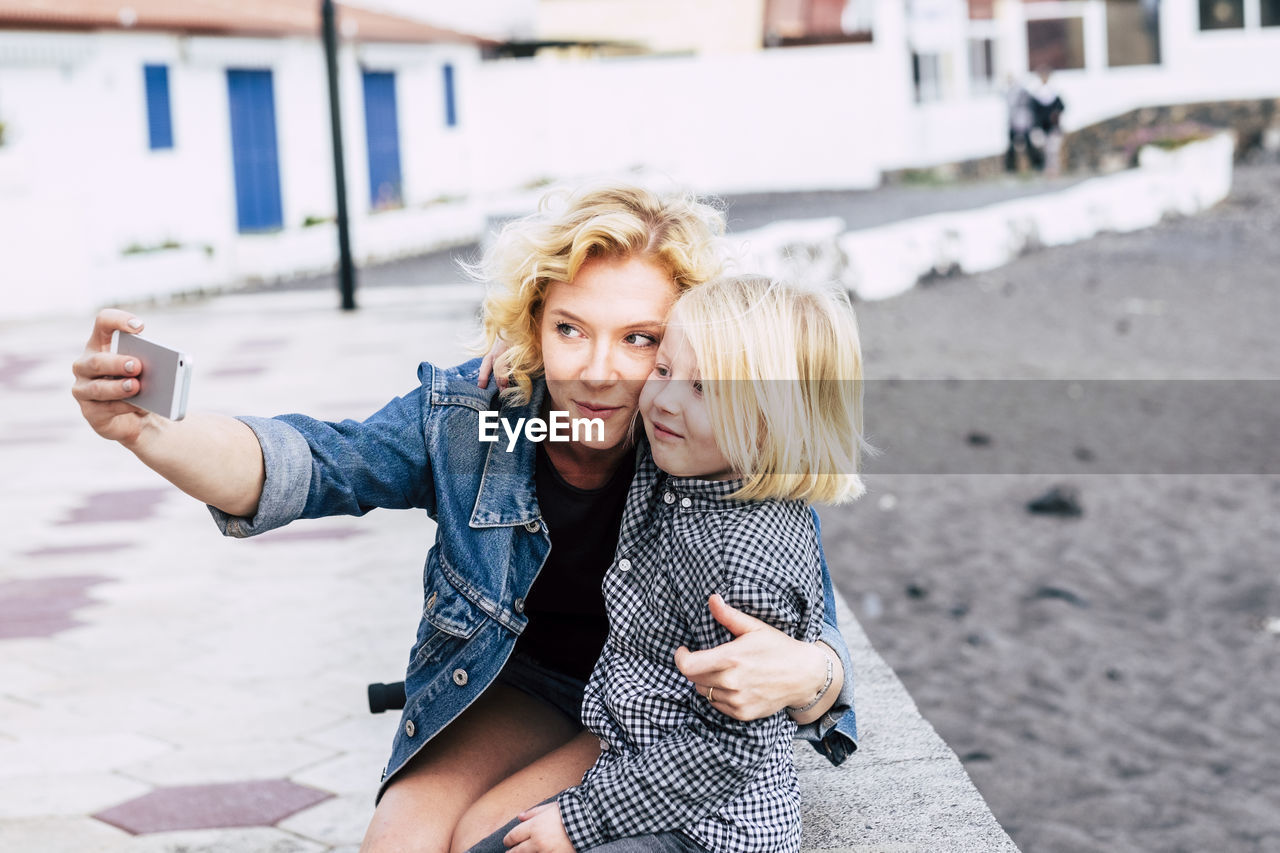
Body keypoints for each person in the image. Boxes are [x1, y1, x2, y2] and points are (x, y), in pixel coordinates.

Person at [70, 183, 858, 853]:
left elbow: (805, 629)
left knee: (492, 835)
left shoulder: (714, 441)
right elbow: (315, 463)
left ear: (692, 342)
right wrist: (155, 431)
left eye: (642, 339)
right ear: (533, 321)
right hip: (515, 683)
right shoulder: (483, 417)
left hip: (641, 706)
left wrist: (812, 673)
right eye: (569, 329)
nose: (597, 371)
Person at [466, 275, 869, 853]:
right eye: (663, 369)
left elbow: (727, 750)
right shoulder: (686, 460)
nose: (664, 399)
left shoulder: (743, 561)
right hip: (639, 775)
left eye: (704, 387)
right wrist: (535, 366)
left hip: (703, 828)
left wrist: (581, 820)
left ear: (773, 420)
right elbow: (575, 424)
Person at [1028, 67, 1066, 177]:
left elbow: (1061, 107)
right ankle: (1045, 169)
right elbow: (1033, 111)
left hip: (1053, 126)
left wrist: (1055, 115)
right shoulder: (1037, 94)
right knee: (1044, 150)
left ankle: (1054, 170)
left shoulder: (1054, 92)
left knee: (1053, 150)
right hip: (1041, 126)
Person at [1004, 74, 1034, 174]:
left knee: (1028, 145)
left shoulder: (1022, 93)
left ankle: (1034, 164)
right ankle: (1011, 168)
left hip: (1023, 122)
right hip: (1013, 123)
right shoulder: (1008, 93)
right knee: (1012, 147)